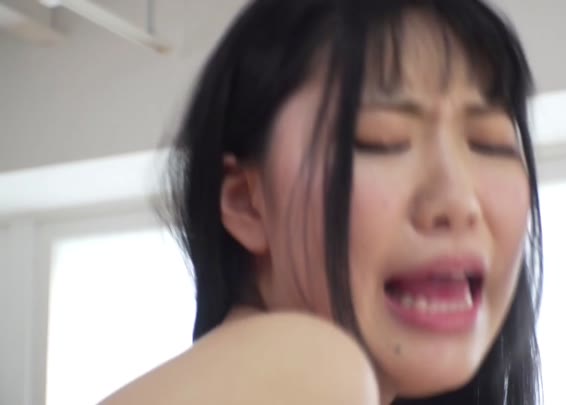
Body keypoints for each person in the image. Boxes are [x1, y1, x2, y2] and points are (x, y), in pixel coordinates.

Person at [102, 0, 543, 404]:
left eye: (491, 144)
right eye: (380, 140)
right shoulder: (312, 368)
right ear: (246, 202)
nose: (460, 202)